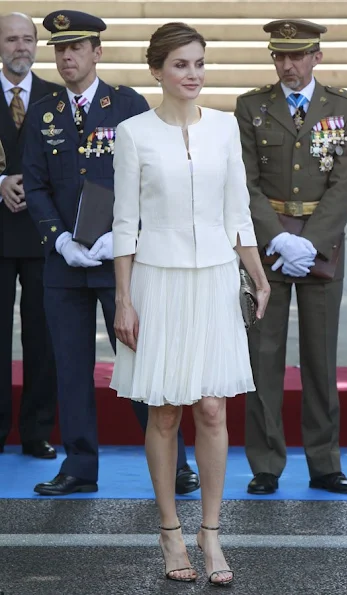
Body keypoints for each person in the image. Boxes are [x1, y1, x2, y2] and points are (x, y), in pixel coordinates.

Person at [110, 22, 270, 585]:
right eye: (181, 65)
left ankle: (211, 534)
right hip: (158, 280)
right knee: (165, 410)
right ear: (157, 70)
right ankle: (170, 532)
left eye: (199, 63)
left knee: (212, 408)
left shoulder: (225, 128)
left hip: (215, 280)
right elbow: (124, 224)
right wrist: (124, 300)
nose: (193, 74)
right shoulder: (133, 134)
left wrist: (256, 271)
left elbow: (238, 211)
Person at [23, 10, 198, 496]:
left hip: (119, 263)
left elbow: (150, 176)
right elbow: (35, 185)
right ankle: (79, 466)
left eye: (76, 48)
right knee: (70, 365)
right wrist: (58, 239)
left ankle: (175, 461)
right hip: (64, 264)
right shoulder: (44, 111)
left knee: (141, 361)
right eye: (59, 49)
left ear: (97, 52)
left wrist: (125, 235)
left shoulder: (125, 105)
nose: (66, 57)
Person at [235, 19, 347, 496]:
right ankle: (265, 463)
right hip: (267, 247)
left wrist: (311, 242)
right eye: (278, 56)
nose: (287, 65)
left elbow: (344, 183)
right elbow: (244, 182)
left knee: (320, 357)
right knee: (262, 355)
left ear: (316, 57)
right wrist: (277, 239)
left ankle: (325, 462)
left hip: (321, 247)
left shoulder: (343, 107)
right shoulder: (252, 106)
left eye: (297, 55)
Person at [0, 12, 59, 459]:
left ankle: (37, 431)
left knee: (43, 337)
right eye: (11, 40)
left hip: (43, 238)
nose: (21, 47)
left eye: (27, 39)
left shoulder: (57, 99)